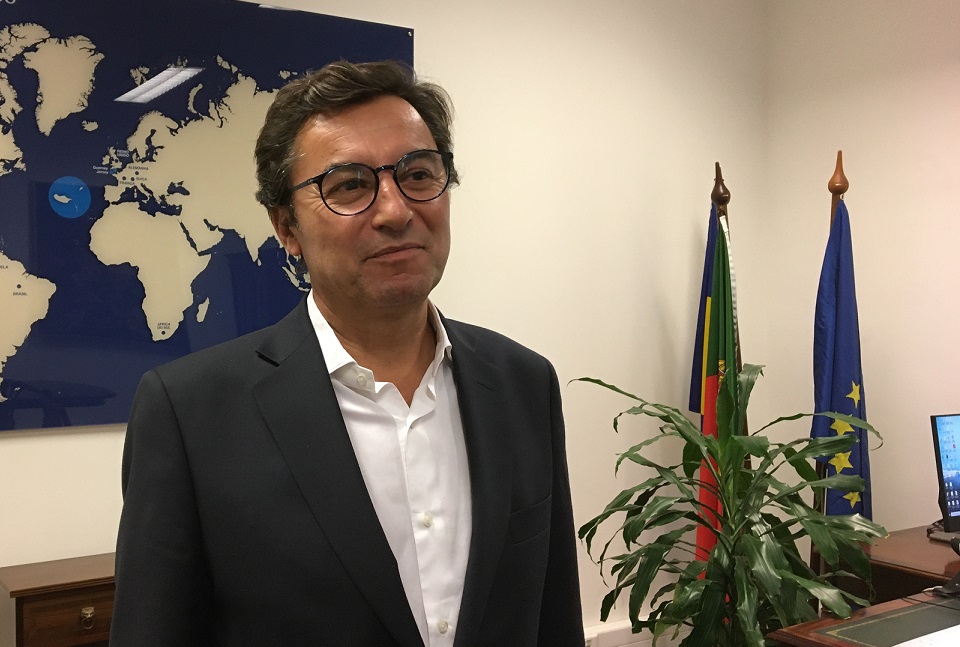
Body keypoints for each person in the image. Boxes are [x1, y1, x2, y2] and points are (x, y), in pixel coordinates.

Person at [110, 60, 583, 647]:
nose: (396, 211)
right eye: (350, 185)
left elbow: (553, 614)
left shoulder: (523, 383)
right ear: (286, 228)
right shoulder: (189, 412)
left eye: (418, 174)